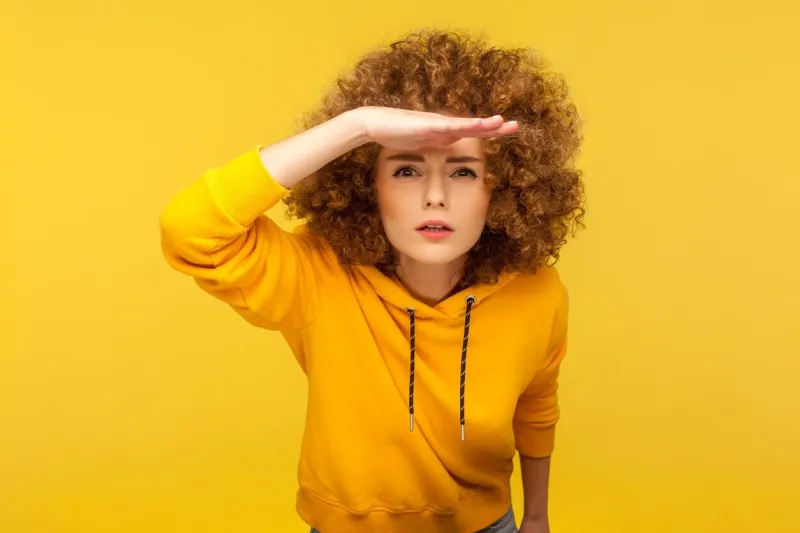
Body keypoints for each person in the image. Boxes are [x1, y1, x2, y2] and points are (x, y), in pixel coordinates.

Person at [160, 29, 584, 533]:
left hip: (488, 524)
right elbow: (191, 232)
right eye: (406, 171)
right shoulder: (319, 277)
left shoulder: (537, 293)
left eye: (464, 172)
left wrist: (537, 517)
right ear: (367, 186)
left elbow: (536, 407)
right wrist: (356, 128)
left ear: (503, 190)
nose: (435, 197)